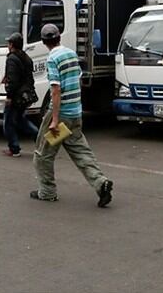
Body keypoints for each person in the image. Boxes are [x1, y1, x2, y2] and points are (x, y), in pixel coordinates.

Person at [31, 23, 113, 207]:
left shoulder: (52, 59)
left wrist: (54, 120)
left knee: (43, 154)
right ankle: (100, 182)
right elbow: (77, 80)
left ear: (44, 41)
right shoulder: (71, 54)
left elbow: (55, 89)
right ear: (59, 37)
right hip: (75, 113)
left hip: (61, 117)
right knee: (80, 151)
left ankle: (47, 192)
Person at [2, 32, 39, 157]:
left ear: (12, 45)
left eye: (9, 43)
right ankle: (39, 138)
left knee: (8, 122)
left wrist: (9, 97)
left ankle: (14, 148)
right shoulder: (26, 57)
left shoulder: (12, 58)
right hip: (25, 94)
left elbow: (13, 80)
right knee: (20, 119)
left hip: (16, 96)